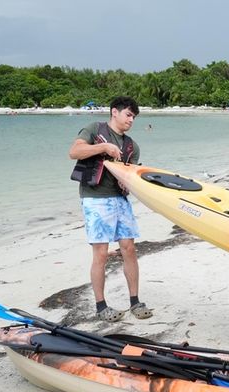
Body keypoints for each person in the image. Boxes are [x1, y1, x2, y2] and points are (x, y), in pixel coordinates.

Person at [68, 96, 153, 322]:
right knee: (101, 254)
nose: (131, 120)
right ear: (114, 112)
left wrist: (129, 182)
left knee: (129, 248)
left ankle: (135, 301)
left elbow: (130, 172)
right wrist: (103, 147)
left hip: (120, 199)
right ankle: (101, 305)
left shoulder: (132, 146)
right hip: (95, 198)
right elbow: (74, 152)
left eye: (134, 117)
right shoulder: (95, 129)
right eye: (128, 114)